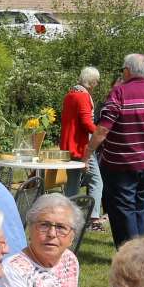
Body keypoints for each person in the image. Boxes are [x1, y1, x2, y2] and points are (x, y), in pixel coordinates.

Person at [86, 53, 144, 246]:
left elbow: (103, 129)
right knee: (140, 210)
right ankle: (139, 254)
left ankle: (132, 259)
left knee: (122, 212)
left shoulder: (119, 93)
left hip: (121, 166)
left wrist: (88, 152)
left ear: (127, 71)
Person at [60, 66, 103, 225]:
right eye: (96, 82)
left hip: (67, 145)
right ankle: (94, 218)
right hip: (81, 145)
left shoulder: (70, 95)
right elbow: (86, 123)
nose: (97, 85)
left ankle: (68, 216)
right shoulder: (83, 97)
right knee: (96, 181)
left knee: (72, 182)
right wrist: (101, 133)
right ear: (91, 82)